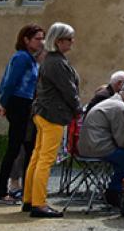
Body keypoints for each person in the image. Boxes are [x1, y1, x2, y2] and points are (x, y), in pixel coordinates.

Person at [23, 22, 82, 218]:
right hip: (52, 114)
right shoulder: (56, 62)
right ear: (59, 41)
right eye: (69, 39)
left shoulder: (50, 60)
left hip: (43, 112)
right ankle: (39, 203)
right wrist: (77, 109)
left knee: (37, 156)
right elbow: (68, 90)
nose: (72, 43)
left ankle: (29, 199)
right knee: (45, 159)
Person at [0, 24, 45, 205]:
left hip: (26, 103)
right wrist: (4, 103)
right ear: (26, 40)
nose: (41, 42)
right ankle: (1, 192)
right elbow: (10, 82)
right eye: (38, 38)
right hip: (19, 102)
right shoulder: (22, 58)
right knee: (15, 147)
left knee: (28, 147)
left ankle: (26, 190)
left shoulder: (30, 59)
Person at [78, 80, 124, 211]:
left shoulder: (112, 102)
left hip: (89, 147)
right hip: (99, 148)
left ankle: (115, 192)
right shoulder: (120, 107)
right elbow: (123, 140)